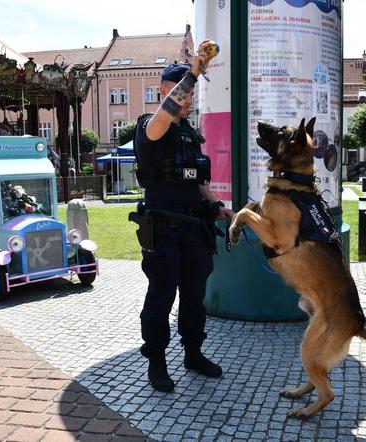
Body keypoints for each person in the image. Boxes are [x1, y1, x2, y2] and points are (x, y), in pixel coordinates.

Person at [133, 40, 234, 392]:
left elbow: (198, 183)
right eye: (182, 92)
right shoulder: (151, 126)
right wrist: (193, 71)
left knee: (194, 296)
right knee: (161, 297)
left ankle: (193, 353)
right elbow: (165, 114)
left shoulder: (191, 135)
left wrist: (217, 206)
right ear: (165, 91)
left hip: (195, 229)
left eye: (191, 92)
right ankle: (157, 363)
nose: (188, 99)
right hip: (163, 228)